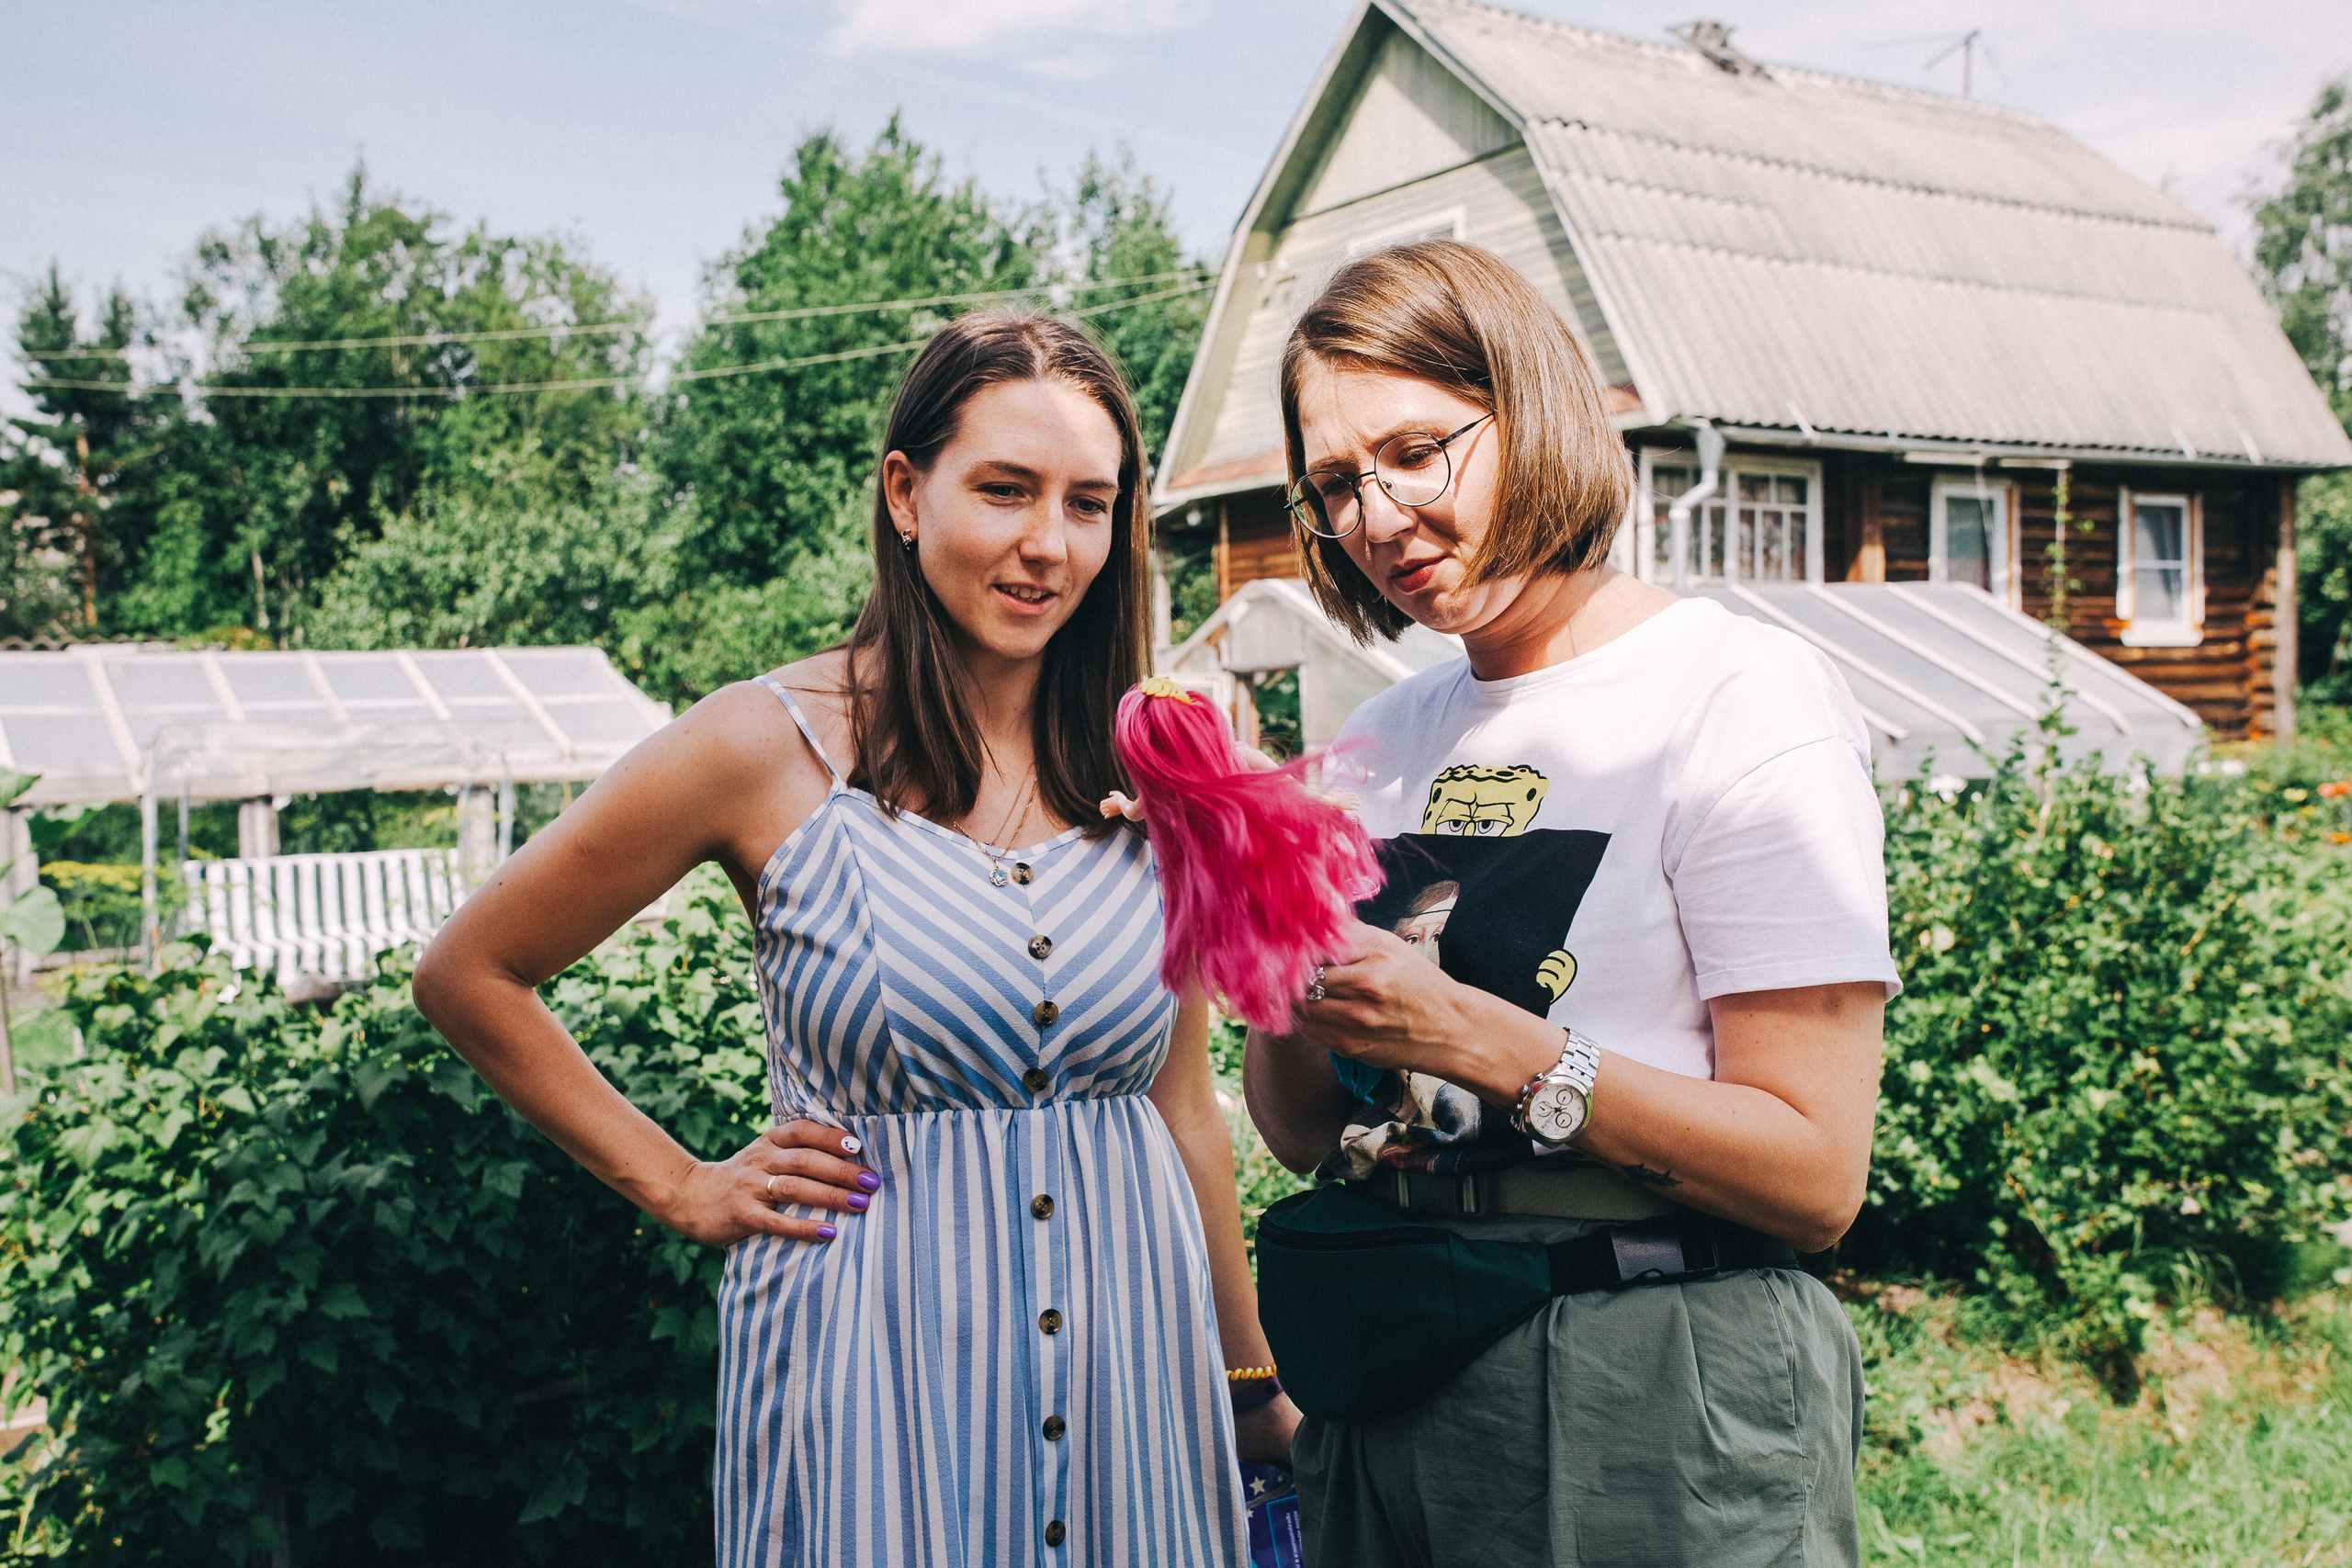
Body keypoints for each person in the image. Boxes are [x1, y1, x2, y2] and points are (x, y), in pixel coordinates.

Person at [413, 310, 1295, 1567]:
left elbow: (1182, 1101)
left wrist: (1247, 1375)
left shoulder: (1149, 763)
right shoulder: (759, 750)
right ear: (904, 492)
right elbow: (470, 972)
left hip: (1132, 1378)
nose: (1048, 544)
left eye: (1088, 504)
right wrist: (677, 1184)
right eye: (1004, 490)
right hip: (875, 1374)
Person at [1241, 240, 1900, 1567]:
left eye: (1415, 451)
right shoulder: (1381, 735)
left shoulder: (1734, 700)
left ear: (1532, 408)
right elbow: (1309, 1131)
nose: (1375, 517)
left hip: (1645, 1381)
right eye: (1334, 484)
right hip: (1396, 1375)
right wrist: (1262, 937)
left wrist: (1492, 1044)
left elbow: (1817, 1176)